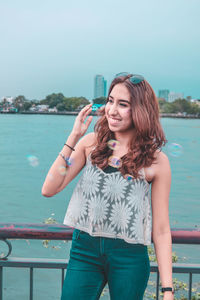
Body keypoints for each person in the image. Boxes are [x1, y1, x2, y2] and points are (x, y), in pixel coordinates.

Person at [42, 72, 174, 300]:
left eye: (123, 104)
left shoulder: (157, 161)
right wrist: (73, 137)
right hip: (85, 250)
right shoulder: (90, 144)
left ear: (141, 110)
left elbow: (161, 230)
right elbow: (50, 188)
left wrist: (168, 290)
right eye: (110, 101)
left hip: (129, 256)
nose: (112, 110)